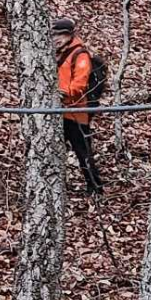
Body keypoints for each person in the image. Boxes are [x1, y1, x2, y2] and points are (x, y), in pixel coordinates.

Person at [52, 17, 104, 195]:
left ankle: (95, 188)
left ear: (69, 36)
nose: (56, 39)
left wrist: (63, 93)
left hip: (76, 112)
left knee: (83, 152)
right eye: (53, 35)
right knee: (55, 150)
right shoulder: (57, 53)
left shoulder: (80, 55)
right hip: (59, 111)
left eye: (60, 35)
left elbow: (79, 84)